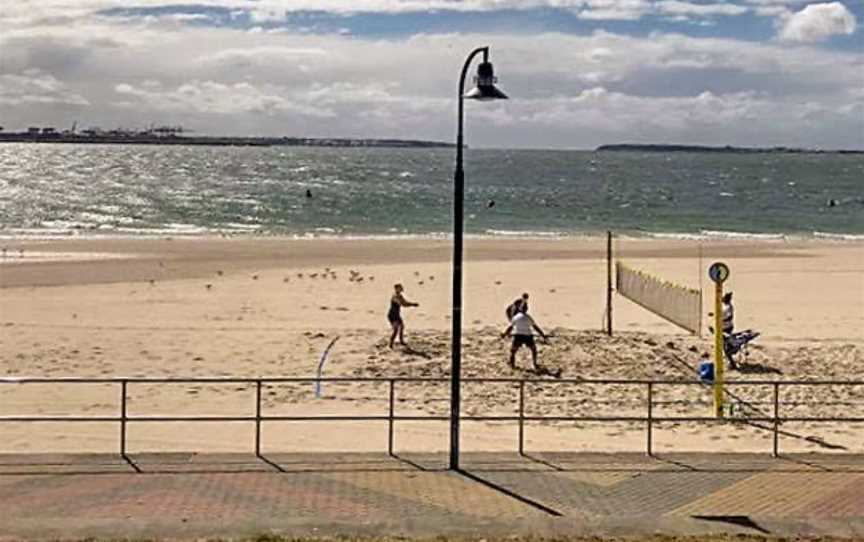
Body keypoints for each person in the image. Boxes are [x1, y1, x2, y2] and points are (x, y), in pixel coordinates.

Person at [501, 304, 548, 371]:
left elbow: (510, 327)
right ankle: (534, 363)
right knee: (533, 350)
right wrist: (542, 335)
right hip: (527, 336)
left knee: (513, 351)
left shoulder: (516, 317)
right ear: (526, 309)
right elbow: (535, 327)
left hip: (518, 336)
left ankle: (512, 364)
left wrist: (505, 334)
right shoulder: (528, 317)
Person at [387, 283, 418, 349]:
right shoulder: (395, 296)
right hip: (392, 315)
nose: (401, 288)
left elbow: (405, 302)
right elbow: (403, 304)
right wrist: (412, 304)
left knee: (402, 327)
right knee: (396, 330)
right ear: (396, 288)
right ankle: (390, 344)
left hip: (396, 314)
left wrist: (412, 304)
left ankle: (401, 341)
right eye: (400, 287)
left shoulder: (399, 295)